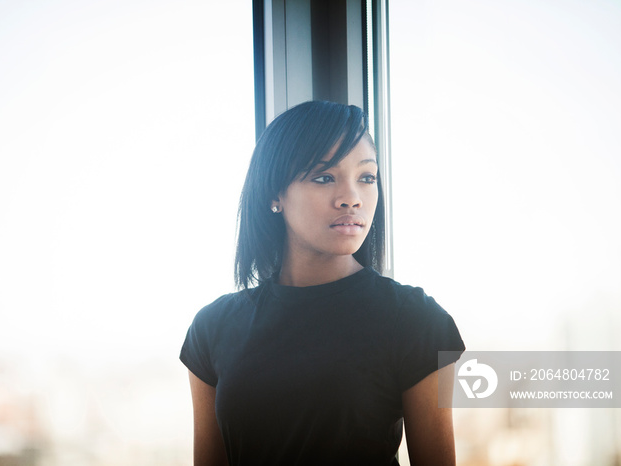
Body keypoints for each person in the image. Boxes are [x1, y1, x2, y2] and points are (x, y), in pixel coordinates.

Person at [180, 101, 465, 466]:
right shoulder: (212, 328)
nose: (352, 198)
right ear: (274, 195)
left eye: (367, 177)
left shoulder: (416, 319)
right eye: (324, 177)